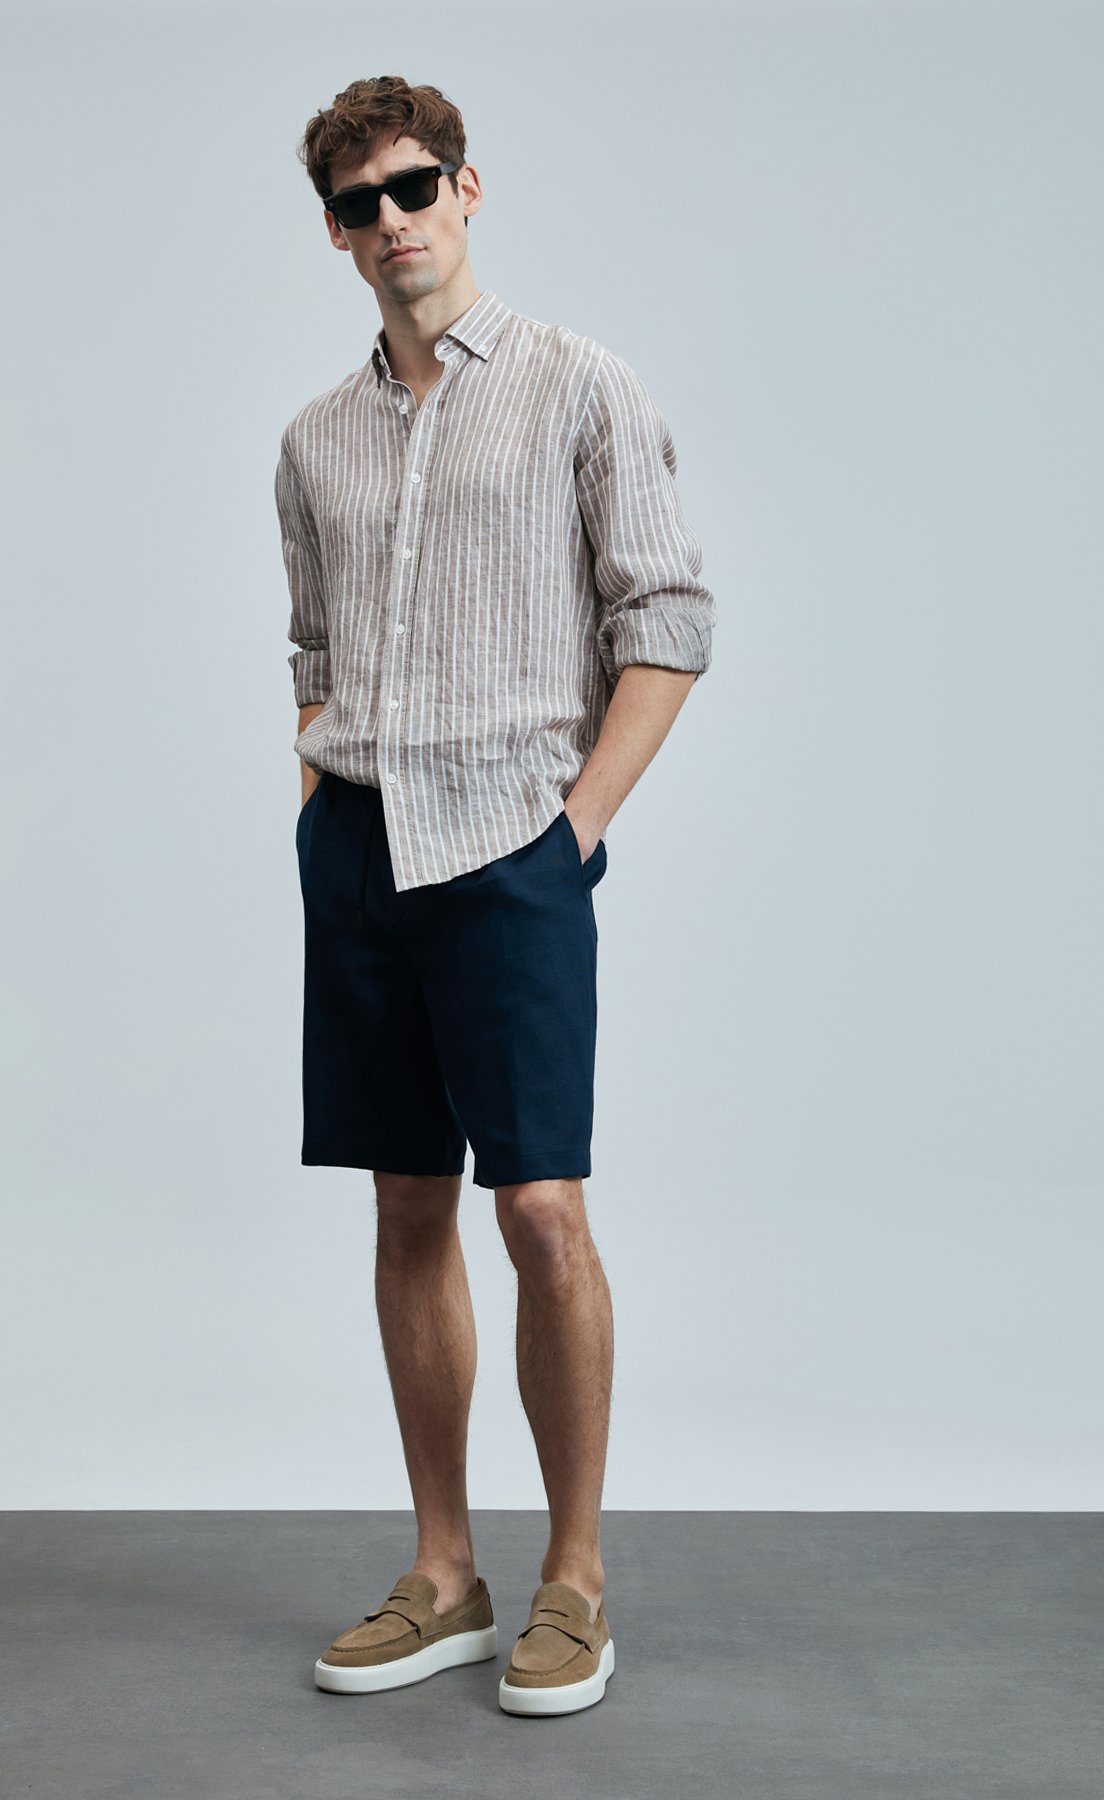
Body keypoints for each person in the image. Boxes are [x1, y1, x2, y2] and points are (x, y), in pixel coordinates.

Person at [274, 75, 716, 1718]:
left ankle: (573, 1580)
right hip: (359, 850)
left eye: (415, 187)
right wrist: (316, 807)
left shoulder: (579, 386)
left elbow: (669, 618)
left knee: (541, 1211)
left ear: (468, 189)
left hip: (510, 851)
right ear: (334, 231)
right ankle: (446, 1573)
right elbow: (313, 649)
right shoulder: (312, 440)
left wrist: (572, 832)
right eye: (360, 204)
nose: (392, 222)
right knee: (407, 1206)